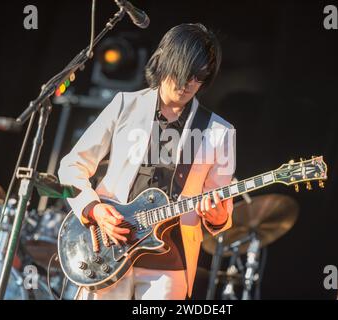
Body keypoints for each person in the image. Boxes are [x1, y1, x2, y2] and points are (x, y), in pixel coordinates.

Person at [58, 23, 236, 300]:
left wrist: (218, 215)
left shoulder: (219, 132)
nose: (189, 84)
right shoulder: (124, 105)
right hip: (108, 248)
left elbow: (221, 211)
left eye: (199, 77)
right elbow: (71, 167)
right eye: (184, 73)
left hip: (169, 265)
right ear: (164, 62)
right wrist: (95, 210)